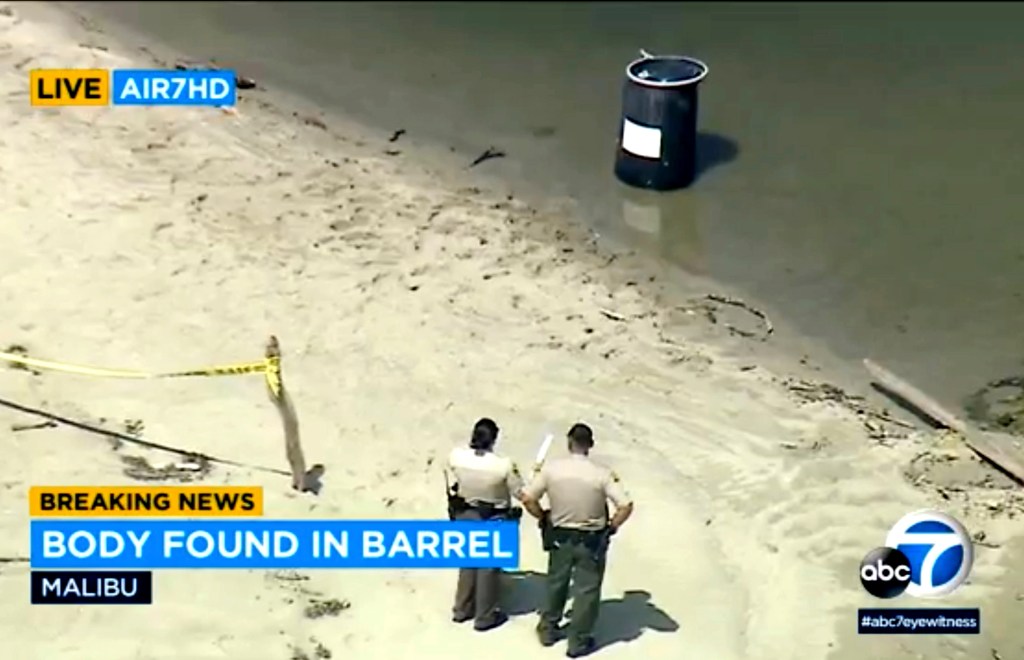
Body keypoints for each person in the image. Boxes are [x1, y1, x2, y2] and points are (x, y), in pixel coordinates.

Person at [520, 423, 634, 658]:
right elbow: (625, 505)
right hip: (591, 540)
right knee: (587, 590)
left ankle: (548, 629)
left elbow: (529, 498)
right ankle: (578, 641)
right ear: (590, 445)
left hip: (560, 535)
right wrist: (612, 526)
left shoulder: (552, 469)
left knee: (556, 583)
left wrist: (543, 517)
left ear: (569, 443)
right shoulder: (602, 473)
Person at [445, 417, 525, 631]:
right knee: (488, 568)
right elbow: (519, 491)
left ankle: (462, 609)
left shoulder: (457, 457)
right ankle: (484, 616)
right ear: (493, 439)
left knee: (468, 562)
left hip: (465, 513)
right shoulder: (503, 465)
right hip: (493, 517)